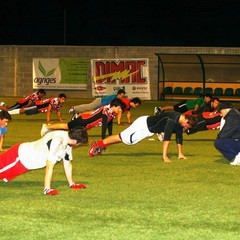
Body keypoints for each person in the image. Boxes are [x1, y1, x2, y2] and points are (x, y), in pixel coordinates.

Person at [0, 126, 88, 195]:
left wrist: (72, 184)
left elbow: (67, 164)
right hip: (19, 157)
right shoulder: (57, 141)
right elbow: (49, 166)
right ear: (75, 141)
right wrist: (47, 189)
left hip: (25, 163)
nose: (78, 145)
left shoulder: (67, 140)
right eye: (79, 143)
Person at [88, 111, 198, 163]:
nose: (186, 128)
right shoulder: (172, 120)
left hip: (147, 130)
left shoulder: (180, 121)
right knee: (123, 137)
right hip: (143, 124)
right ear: (186, 121)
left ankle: (101, 145)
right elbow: (167, 139)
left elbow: (179, 136)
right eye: (188, 126)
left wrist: (180, 153)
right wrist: (164, 157)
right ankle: (97, 144)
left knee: (128, 140)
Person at [41, 98, 126, 139]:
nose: (120, 110)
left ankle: (50, 130)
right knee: (66, 126)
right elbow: (104, 125)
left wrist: (110, 134)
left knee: (71, 133)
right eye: (119, 108)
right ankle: (47, 127)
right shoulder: (106, 111)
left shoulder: (112, 113)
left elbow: (109, 123)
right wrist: (104, 139)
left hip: (87, 124)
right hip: (83, 120)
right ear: (114, 106)